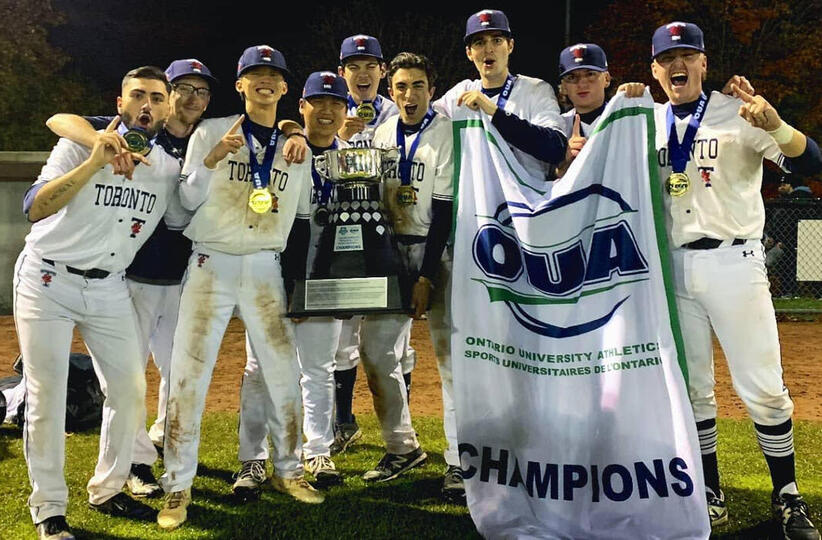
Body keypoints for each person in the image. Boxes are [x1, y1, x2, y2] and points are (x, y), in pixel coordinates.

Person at [649, 21, 822, 539]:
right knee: (693, 390)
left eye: (688, 55)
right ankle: (708, 492)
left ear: (704, 63)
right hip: (674, 268)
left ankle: (787, 496)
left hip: (734, 262)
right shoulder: (646, 122)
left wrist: (774, 123)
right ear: (655, 70)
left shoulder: (738, 112)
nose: (677, 64)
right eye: (666, 58)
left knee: (764, 388)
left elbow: (812, 161)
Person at [15, 65, 187, 539]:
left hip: (109, 283)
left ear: (167, 108)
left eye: (157, 97)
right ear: (121, 103)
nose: (147, 105)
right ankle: (49, 507)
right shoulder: (80, 143)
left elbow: (186, 209)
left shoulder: (168, 169)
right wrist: (94, 157)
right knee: (46, 395)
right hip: (48, 278)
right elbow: (33, 207)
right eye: (138, 96)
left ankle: (108, 487)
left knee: (130, 389)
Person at [156, 45, 320, 531]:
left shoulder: (298, 144)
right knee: (189, 375)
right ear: (241, 84)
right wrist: (209, 159)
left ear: (286, 89)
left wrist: (298, 135)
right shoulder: (213, 129)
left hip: (266, 265)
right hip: (211, 260)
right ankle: (177, 484)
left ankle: (288, 470)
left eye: (274, 76)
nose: (264, 82)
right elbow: (182, 203)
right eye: (255, 75)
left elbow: (306, 215)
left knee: (282, 373)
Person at [45, 58, 217, 499]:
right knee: (126, 380)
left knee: (178, 373)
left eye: (202, 90)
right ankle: (137, 462)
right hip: (131, 277)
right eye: (183, 89)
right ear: (166, 97)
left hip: (182, 278)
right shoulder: (128, 127)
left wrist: (292, 127)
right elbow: (61, 119)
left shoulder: (206, 138)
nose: (193, 98)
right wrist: (103, 142)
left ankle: (162, 443)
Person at [232, 71, 349, 499]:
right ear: (301, 106)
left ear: (345, 111)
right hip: (271, 272)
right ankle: (253, 459)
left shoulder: (355, 157)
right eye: (318, 101)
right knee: (259, 368)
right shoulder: (279, 151)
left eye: (337, 103)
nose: (328, 110)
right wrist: (289, 130)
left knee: (320, 369)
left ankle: (318, 450)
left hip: (329, 275)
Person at [331, 34, 418, 456]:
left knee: (396, 343)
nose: (362, 73)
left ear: (382, 71)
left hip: (390, 236)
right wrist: (336, 135)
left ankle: (403, 423)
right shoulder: (330, 109)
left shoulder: (396, 112)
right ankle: (344, 421)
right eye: (354, 65)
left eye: (370, 65)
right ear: (342, 70)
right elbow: (298, 127)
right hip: (345, 239)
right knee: (344, 334)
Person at [434, 9, 567, 181]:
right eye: (479, 43)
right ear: (469, 53)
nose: (488, 49)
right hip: (480, 203)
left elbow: (555, 148)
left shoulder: (535, 90)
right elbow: (425, 125)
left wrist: (495, 113)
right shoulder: (460, 93)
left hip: (525, 203)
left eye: (496, 41)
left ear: (510, 46)